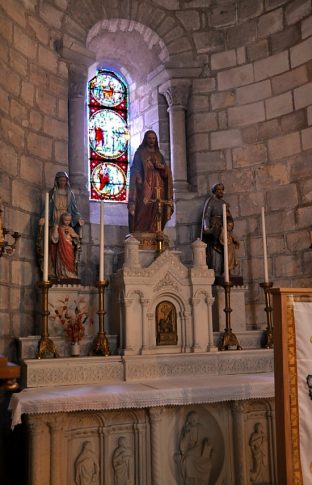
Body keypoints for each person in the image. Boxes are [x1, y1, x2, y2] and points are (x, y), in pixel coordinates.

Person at [37, 171, 84, 279]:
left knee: (67, 245)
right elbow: (48, 207)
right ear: (57, 181)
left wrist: (78, 218)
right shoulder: (53, 193)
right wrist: (44, 217)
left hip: (66, 219)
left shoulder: (70, 193)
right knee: (53, 245)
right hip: (55, 220)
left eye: (64, 180)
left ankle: (65, 270)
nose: (63, 182)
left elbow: (74, 209)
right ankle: (53, 270)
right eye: (61, 180)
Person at [128, 130, 173, 234]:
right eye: (149, 138)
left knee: (157, 207)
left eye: (153, 138)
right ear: (145, 139)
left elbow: (166, 173)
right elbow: (135, 168)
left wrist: (162, 167)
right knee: (144, 206)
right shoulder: (140, 153)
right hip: (145, 184)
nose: (151, 140)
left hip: (158, 185)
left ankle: (155, 231)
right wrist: (138, 177)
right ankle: (140, 230)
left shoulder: (159, 155)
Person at [201, 183, 233, 278]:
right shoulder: (211, 202)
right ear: (214, 191)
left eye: (222, 189)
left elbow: (229, 217)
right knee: (215, 250)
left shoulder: (224, 203)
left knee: (228, 247)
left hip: (223, 228)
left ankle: (226, 270)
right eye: (218, 189)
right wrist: (206, 227)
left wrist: (230, 224)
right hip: (214, 228)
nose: (220, 191)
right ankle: (216, 271)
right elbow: (206, 216)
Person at [178, 411, 214, 485]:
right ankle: (190, 483)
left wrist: (207, 443)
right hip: (190, 452)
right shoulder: (186, 429)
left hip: (200, 451)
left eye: (196, 418)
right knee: (188, 460)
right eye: (193, 418)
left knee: (208, 464)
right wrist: (186, 434)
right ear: (189, 420)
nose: (195, 420)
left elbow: (206, 440)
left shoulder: (200, 428)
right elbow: (183, 447)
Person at [50, 212, 81, 281]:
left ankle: (70, 273)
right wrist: (55, 228)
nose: (67, 222)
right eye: (65, 220)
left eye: (69, 220)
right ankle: (62, 274)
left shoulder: (70, 229)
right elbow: (54, 240)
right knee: (62, 260)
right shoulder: (59, 228)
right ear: (62, 220)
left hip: (69, 248)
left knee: (70, 260)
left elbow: (76, 238)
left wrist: (76, 237)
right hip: (61, 248)